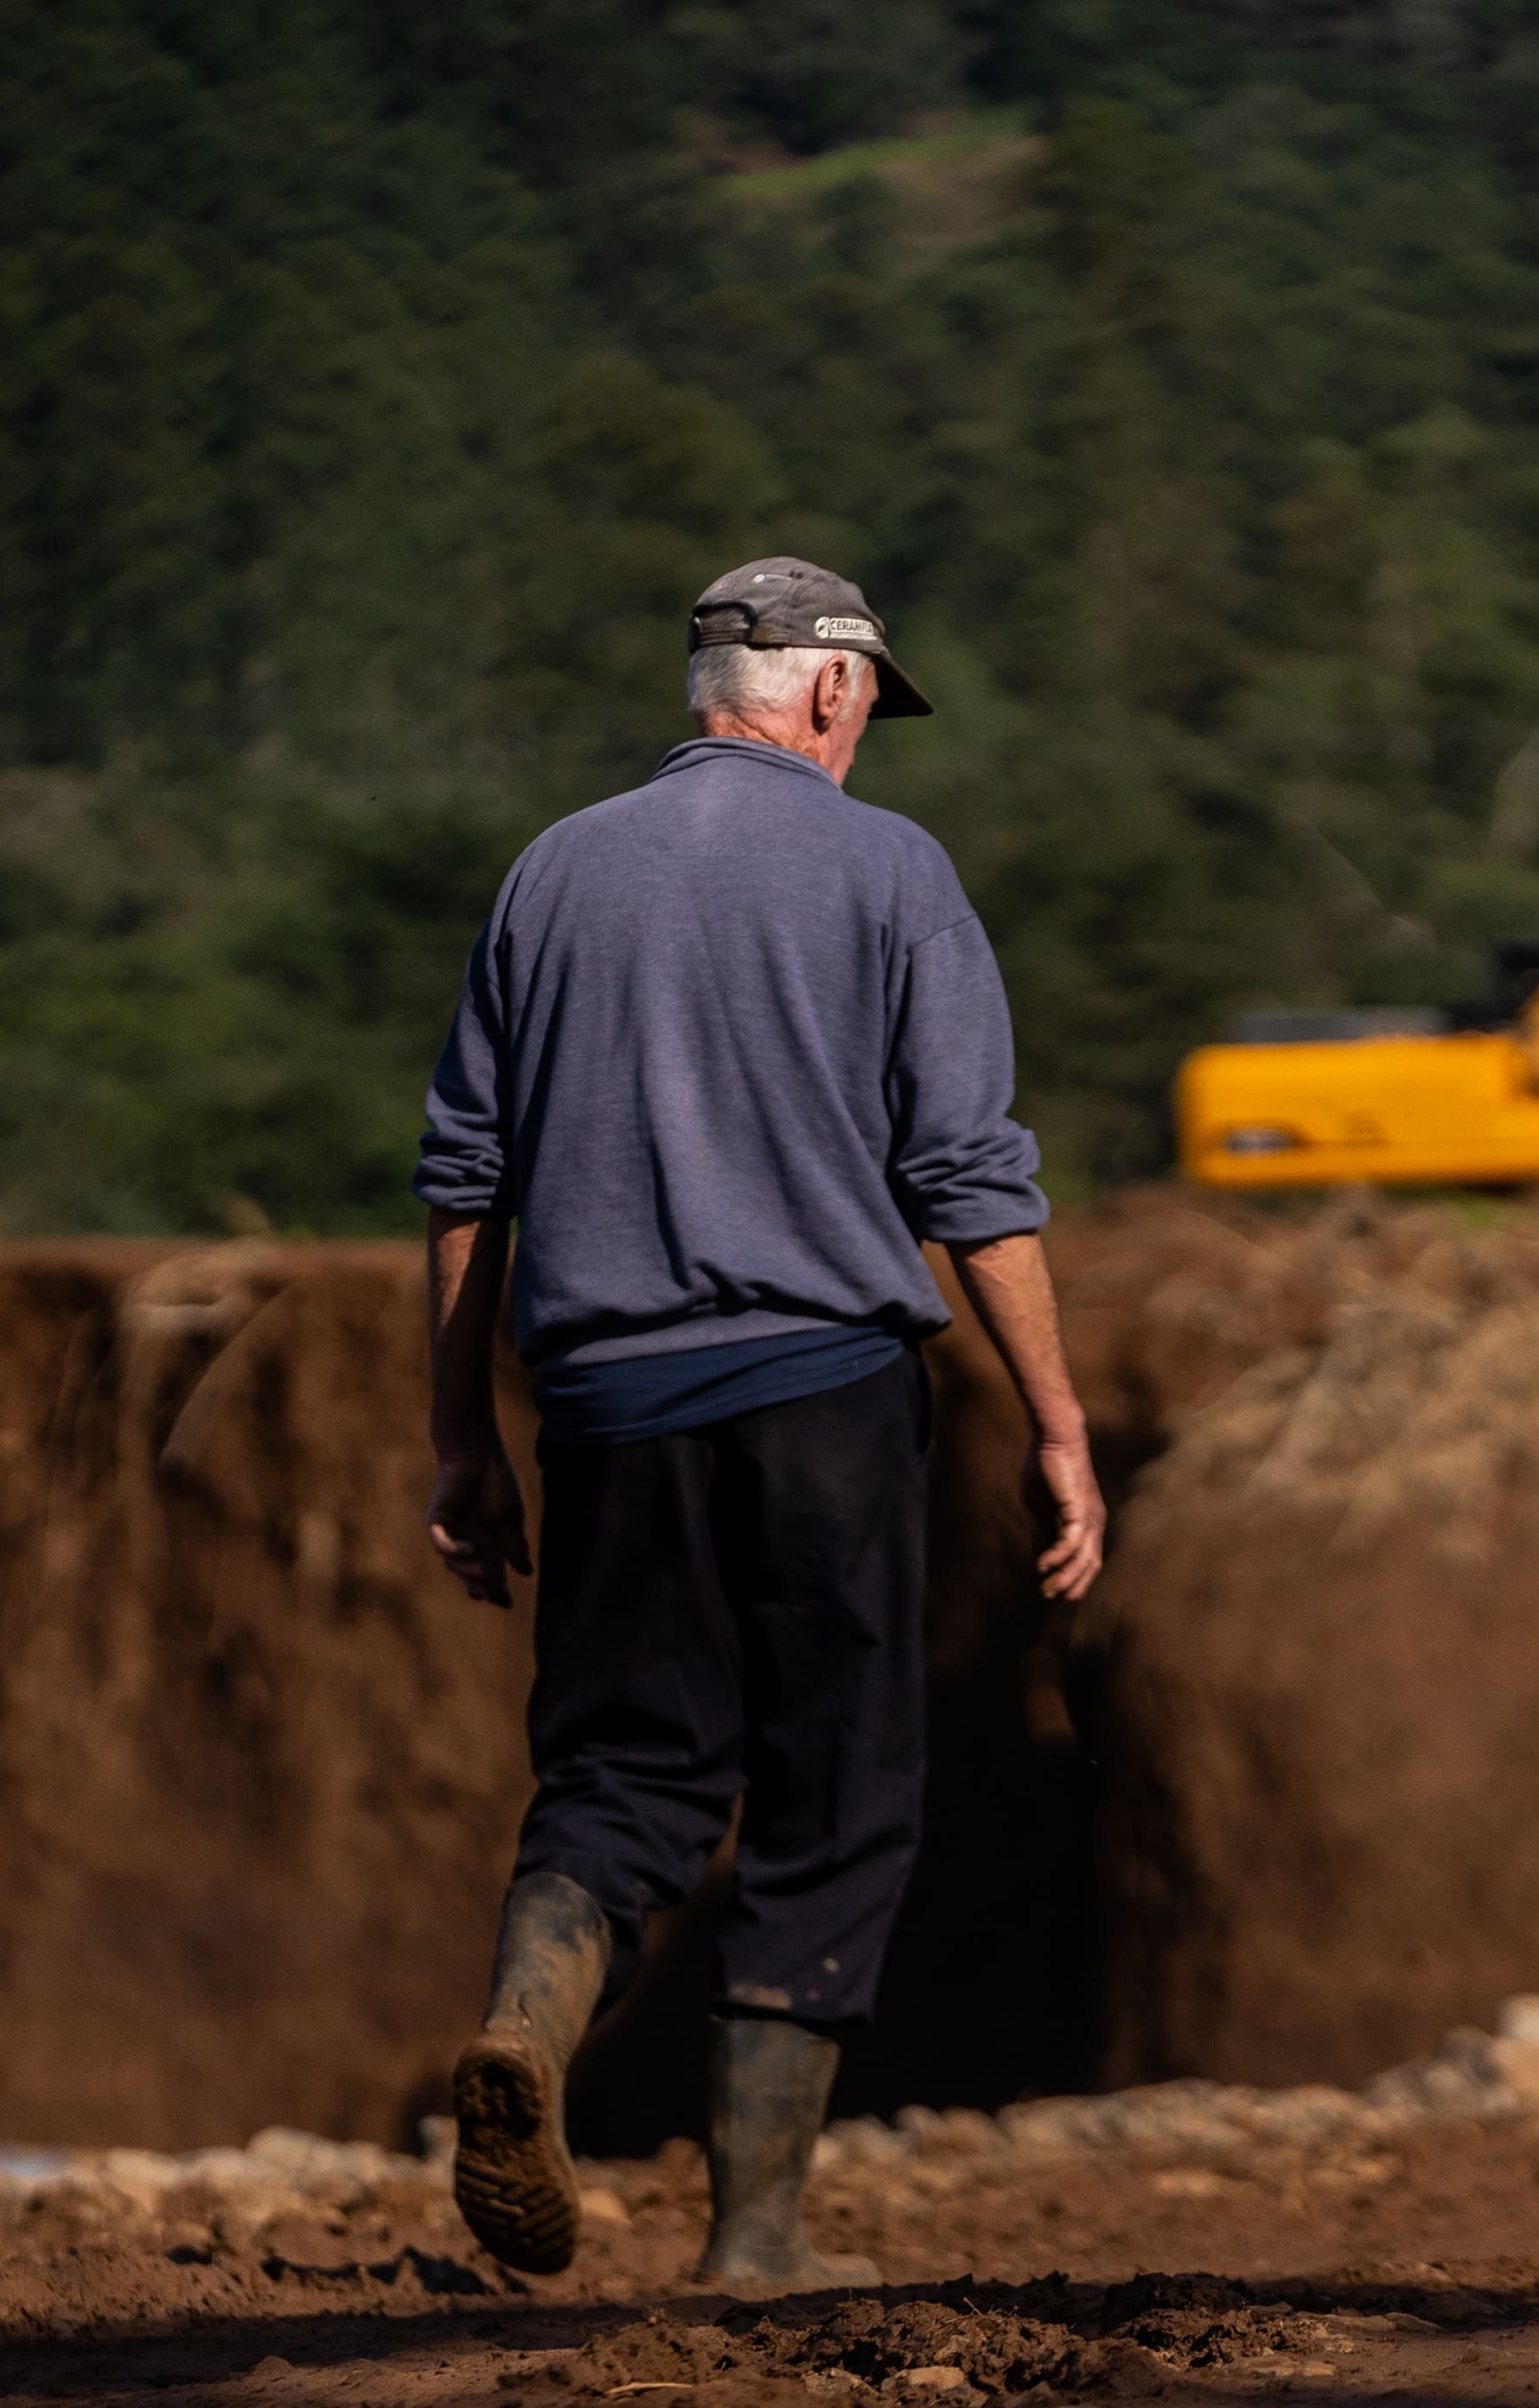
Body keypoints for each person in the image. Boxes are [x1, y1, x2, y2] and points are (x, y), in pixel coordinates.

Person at [415, 555, 1106, 2295]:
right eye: (870, 701)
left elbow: (462, 1187)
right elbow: (968, 1175)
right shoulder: (892, 872)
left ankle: (523, 2023)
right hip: (820, 1399)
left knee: (622, 1773)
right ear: (834, 688)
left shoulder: (551, 873)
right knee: (832, 1794)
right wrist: (1056, 1422)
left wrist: (459, 1438)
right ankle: (759, 2237)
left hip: (604, 1402)